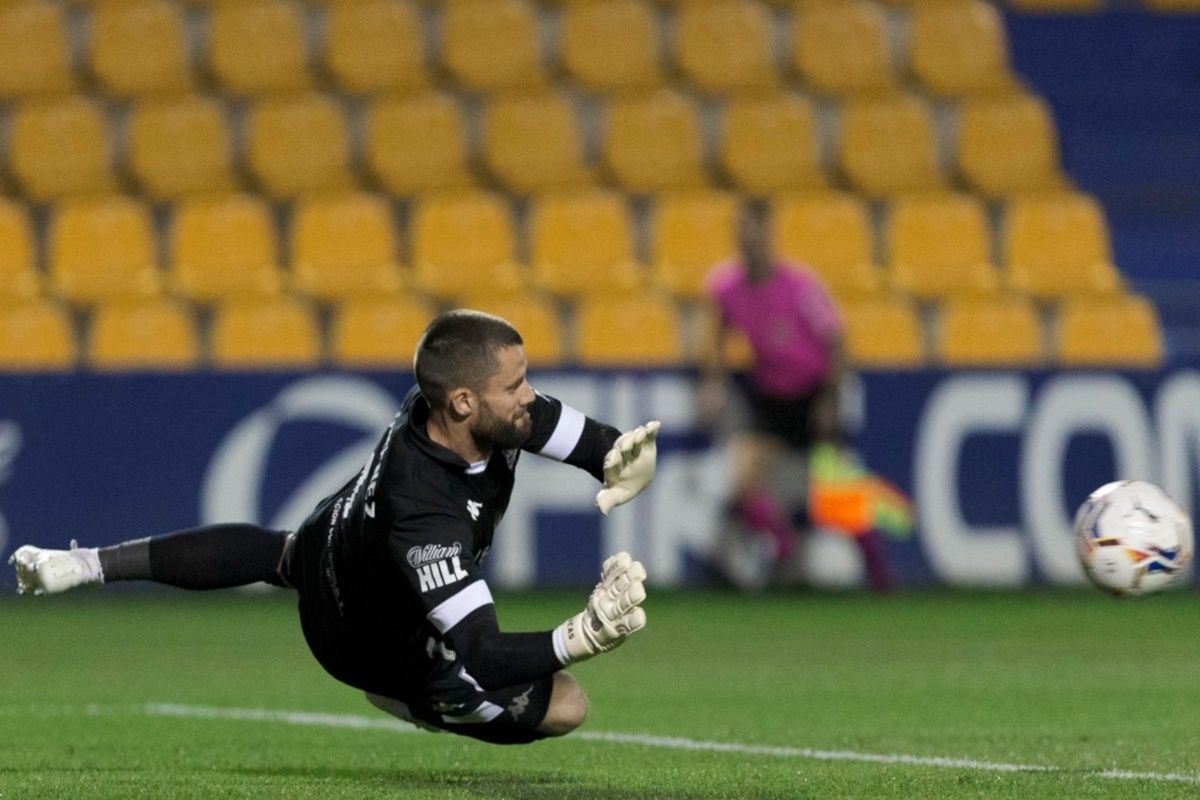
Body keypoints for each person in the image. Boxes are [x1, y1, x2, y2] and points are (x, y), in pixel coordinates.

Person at [9, 310, 660, 745]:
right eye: (517, 384)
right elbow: (484, 654)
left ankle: (88, 563)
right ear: (463, 403)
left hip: (333, 538)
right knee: (568, 705)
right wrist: (582, 635)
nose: (530, 397)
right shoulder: (426, 511)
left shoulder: (471, 411)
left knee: (281, 554)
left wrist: (616, 457)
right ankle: (411, 697)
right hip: (361, 638)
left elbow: (576, 435)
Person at [699, 201, 892, 591]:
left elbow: (836, 342)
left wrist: (830, 401)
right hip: (771, 397)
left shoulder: (800, 286)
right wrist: (714, 383)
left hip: (812, 393)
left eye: (756, 232)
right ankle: (787, 553)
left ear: (769, 236)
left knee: (836, 492)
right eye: (743, 233)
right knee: (744, 489)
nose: (749, 241)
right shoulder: (725, 286)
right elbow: (717, 336)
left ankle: (878, 572)